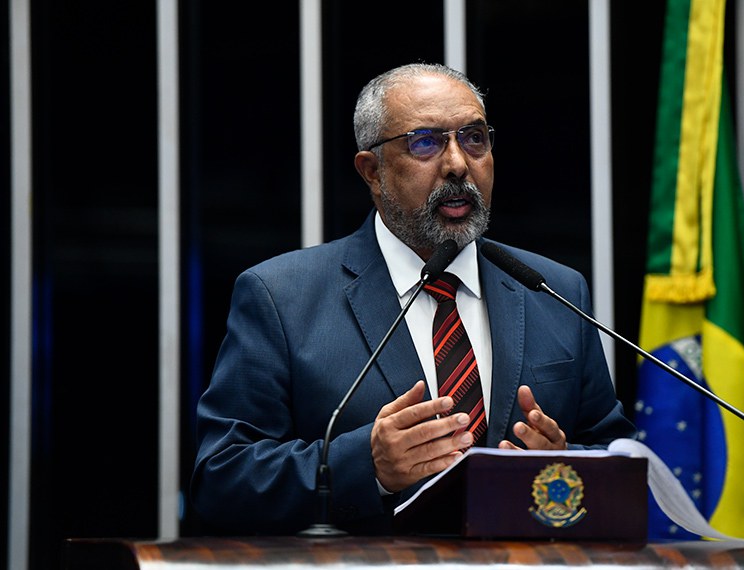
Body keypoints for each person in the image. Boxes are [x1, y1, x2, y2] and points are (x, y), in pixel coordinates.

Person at [191, 62, 636, 536]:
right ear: (372, 171)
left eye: (473, 138)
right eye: (425, 141)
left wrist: (565, 465)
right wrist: (367, 466)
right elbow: (221, 479)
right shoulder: (281, 296)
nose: (457, 163)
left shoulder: (554, 289)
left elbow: (617, 456)